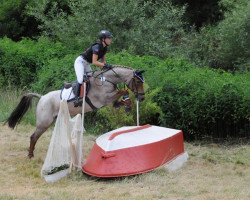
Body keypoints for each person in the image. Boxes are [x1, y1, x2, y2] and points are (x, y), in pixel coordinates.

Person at [74, 30, 113, 106]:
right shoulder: (97, 47)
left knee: (92, 78)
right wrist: (104, 65)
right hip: (80, 62)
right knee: (80, 79)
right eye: (109, 38)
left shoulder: (105, 48)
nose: (110, 40)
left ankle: (90, 96)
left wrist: (106, 67)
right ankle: (76, 99)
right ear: (103, 39)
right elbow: (94, 62)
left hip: (87, 63)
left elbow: (103, 62)